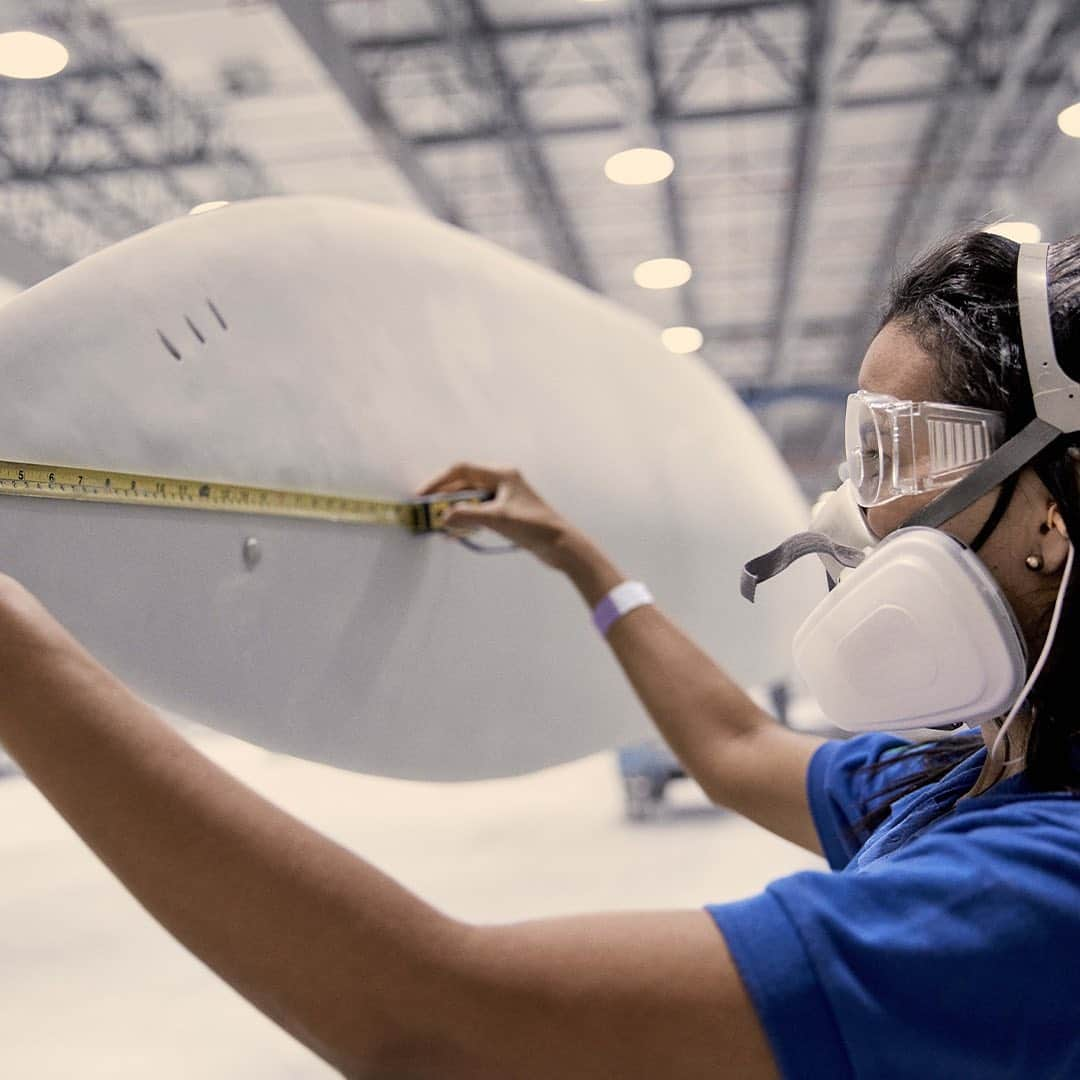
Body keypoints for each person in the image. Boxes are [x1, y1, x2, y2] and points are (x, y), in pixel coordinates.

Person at [2, 230, 1079, 1079]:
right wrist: (578, 557)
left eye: (897, 454)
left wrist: (22, 668)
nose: (853, 511)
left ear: (1053, 515)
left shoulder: (1037, 894)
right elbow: (735, 741)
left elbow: (436, 1023)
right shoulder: (961, 779)